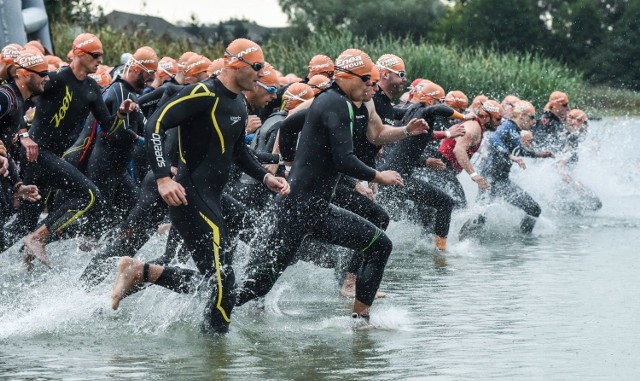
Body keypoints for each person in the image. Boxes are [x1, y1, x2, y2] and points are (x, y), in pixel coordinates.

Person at [110, 38, 290, 335]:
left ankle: (142, 272)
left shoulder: (239, 103)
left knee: (222, 279)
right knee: (224, 281)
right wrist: (163, 178)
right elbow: (154, 124)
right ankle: (215, 358)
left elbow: (238, 151)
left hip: (215, 196)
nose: (260, 73)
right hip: (188, 195)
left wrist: (265, 177)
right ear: (235, 63)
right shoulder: (202, 92)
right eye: (256, 66)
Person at [235, 48, 410, 324]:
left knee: (379, 245)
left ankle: (361, 322)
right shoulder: (335, 104)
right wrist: (379, 176)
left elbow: (291, 125)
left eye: (373, 81)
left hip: (311, 207)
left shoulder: (335, 101)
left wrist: (289, 163)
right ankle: (208, 306)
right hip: (300, 209)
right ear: (346, 76)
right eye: (366, 79)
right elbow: (344, 160)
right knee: (257, 284)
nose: (371, 86)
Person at [12, 33, 138, 268]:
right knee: (89, 194)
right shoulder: (57, 78)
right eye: (96, 55)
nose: (100, 60)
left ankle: (29, 246)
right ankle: (38, 238)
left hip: (52, 158)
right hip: (37, 154)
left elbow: (109, 128)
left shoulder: (91, 87)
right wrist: (24, 135)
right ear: (80, 53)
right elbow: (20, 98)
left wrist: (121, 112)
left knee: (26, 221)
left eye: (102, 55)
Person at [377, 80, 466, 251]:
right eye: (440, 100)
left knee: (409, 214)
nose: (441, 104)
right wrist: (464, 117)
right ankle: (441, 251)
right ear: (431, 100)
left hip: (390, 175)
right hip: (399, 179)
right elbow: (436, 109)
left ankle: (423, 244)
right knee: (445, 203)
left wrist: (425, 162)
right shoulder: (425, 113)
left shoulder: (410, 112)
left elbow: (407, 149)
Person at [475, 101, 555, 235]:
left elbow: (518, 151)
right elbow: (493, 140)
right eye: (532, 117)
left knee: (534, 209)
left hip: (502, 180)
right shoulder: (507, 126)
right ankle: (464, 244)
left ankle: (523, 238)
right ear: (522, 116)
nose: (535, 121)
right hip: (489, 180)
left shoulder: (516, 132)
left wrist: (539, 154)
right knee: (480, 217)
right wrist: (510, 156)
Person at [0, 50, 45, 250]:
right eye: (42, 74)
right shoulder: (6, 97)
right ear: (24, 74)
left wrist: (18, 186)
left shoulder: (19, 101)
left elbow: (5, 149)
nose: (47, 78)